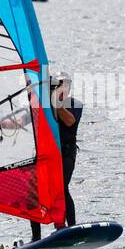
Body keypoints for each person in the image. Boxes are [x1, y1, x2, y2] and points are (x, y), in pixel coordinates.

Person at [50, 71, 82, 228]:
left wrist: (55, 103)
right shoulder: (46, 105)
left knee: (62, 187)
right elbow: (23, 120)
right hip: (49, 155)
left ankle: (72, 226)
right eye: (61, 84)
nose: (65, 88)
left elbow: (69, 121)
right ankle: (54, 228)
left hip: (67, 154)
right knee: (40, 192)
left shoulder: (75, 104)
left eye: (67, 85)